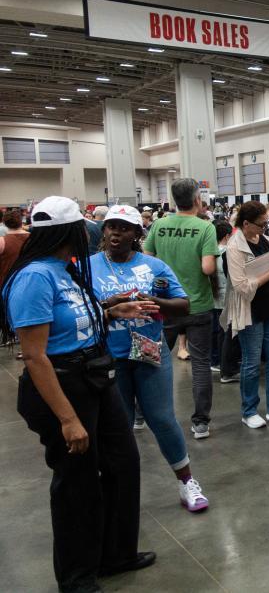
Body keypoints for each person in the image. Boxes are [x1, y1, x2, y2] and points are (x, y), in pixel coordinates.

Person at [1, 196, 159, 593]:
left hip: (95, 376)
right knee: (77, 481)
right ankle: (76, 576)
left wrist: (110, 311)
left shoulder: (67, 269)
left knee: (123, 463)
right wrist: (68, 419)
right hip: (63, 386)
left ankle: (116, 553)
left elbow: (70, 319)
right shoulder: (35, 277)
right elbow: (35, 355)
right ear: (68, 232)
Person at [89, 205, 210, 513]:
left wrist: (153, 301)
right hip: (108, 358)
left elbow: (183, 304)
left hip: (149, 352)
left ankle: (187, 482)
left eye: (124, 228)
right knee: (118, 425)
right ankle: (115, 490)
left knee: (162, 418)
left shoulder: (153, 266)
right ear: (104, 230)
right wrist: (109, 305)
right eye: (111, 226)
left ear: (136, 233)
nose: (116, 233)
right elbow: (79, 311)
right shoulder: (88, 267)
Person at [143, 178, 220, 439]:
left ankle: (140, 414)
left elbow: (147, 260)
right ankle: (201, 423)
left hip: (165, 306)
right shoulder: (205, 227)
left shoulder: (159, 225)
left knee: (152, 358)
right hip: (197, 306)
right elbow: (208, 268)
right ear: (197, 199)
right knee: (200, 365)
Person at [221, 201, 269, 429]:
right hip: (250, 311)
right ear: (246, 223)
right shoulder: (234, 248)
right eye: (261, 224)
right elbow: (241, 287)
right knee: (251, 362)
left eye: (266, 224)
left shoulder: (262, 238)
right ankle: (249, 411)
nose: (265, 228)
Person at [210, 220, 233, 375]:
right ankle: (223, 363)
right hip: (226, 297)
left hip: (213, 297)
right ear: (227, 236)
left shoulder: (209, 252)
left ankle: (215, 360)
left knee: (216, 330)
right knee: (225, 333)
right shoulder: (227, 253)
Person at [0, 207, 29, 283]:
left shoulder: (2, 241)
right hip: (28, 280)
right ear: (21, 222)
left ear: (5, 223)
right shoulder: (33, 238)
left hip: (7, 282)